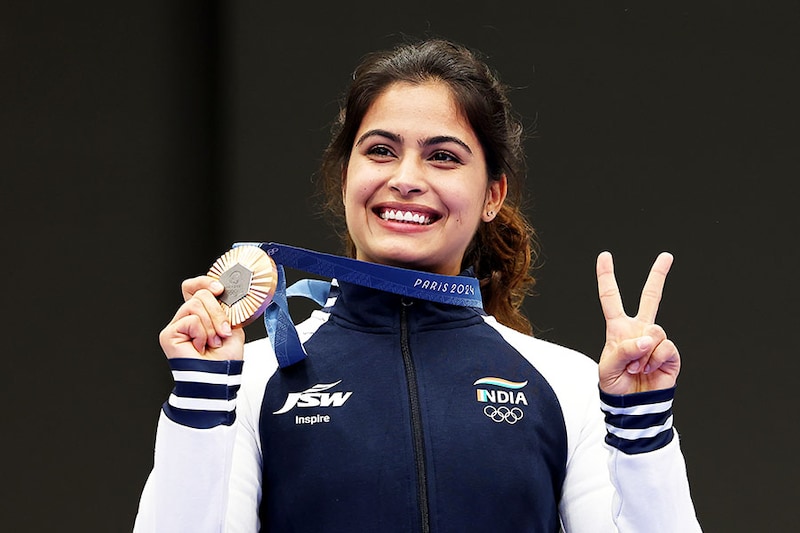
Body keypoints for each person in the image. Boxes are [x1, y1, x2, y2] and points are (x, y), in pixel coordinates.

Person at [134, 38, 701, 532]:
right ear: (346, 176)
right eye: (380, 150)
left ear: (492, 196)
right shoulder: (253, 380)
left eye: (443, 157)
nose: (406, 179)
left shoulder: (569, 383)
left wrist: (641, 429)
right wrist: (202, 399)